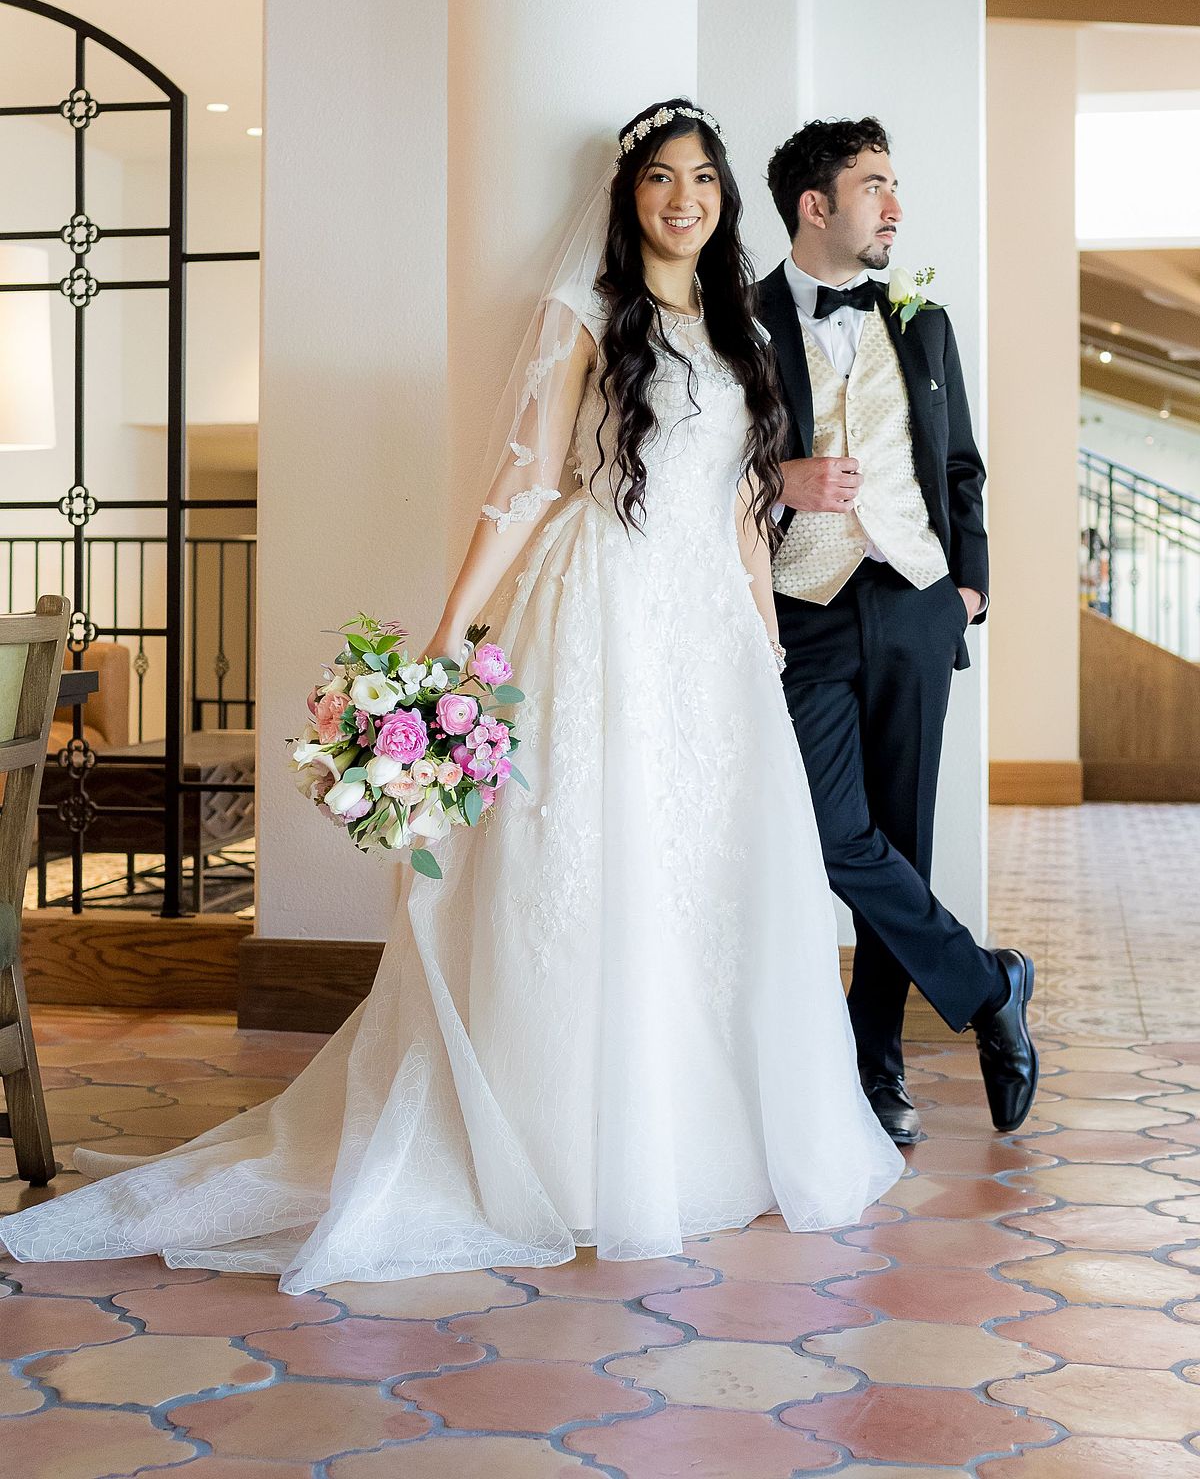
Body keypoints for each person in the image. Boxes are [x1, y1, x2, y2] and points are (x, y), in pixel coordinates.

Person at [0, 100, 902, 1291]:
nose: (682, 198)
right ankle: (571, 1151)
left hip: (707, 633)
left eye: (701, 179)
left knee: (704, 875)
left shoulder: (740, 327)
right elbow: (523, 486)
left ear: (726, 198)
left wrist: (761, 630)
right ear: (629, 198)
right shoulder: (586, 314)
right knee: (594, 866)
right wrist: (449, 631)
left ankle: (701, 1139)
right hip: (605, 606)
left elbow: (743, 500)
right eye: (658, 180)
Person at [756, 117, 1037, 1147]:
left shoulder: (923, 323)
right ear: (814, 205)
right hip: (803, 611)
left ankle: (876, 1067)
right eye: (875, 185)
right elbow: (697, 464)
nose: (895, 207)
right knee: (835, 837)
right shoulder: (738, 325)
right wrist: (777, 480)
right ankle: (989, 984)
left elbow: (959, 464)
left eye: (894, 185)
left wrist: (969, 586)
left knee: (901, 842)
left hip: (915, 604)